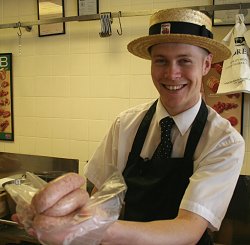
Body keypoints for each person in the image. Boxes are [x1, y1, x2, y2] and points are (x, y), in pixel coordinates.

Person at [14, 7, 245, 245]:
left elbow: (187, 229)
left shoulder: (223, 141)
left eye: (184, 61)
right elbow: (102, 199)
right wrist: (67, 220)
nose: (171, 73)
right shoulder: (125, 124)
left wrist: (95, 230)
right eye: (161, 61)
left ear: (206, 64)